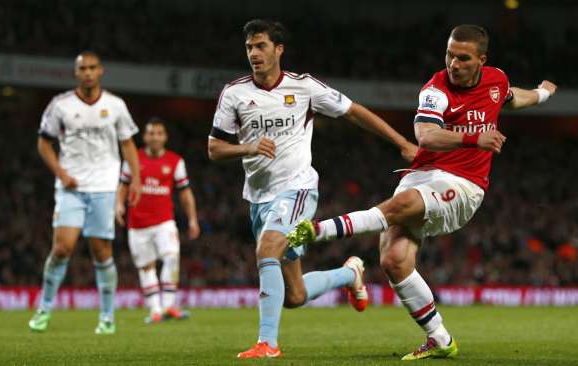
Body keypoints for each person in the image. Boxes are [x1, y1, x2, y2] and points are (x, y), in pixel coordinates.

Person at [287, 24, 557, 360]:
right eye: (449, 54)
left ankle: (316, 231)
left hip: (464, 184)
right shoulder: (435, 89)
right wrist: (474, 138)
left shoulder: (495, 80)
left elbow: (513, 97)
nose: (453, 64)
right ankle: (441, 339)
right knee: (394, 260)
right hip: (421, 175)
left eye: (463, 58)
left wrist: (543, 93)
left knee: (399, 206)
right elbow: (426, 135)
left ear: (481, 60)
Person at [208, 19, 417, 359]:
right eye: (249, 47)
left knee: (268, 249)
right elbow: (214, 149)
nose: (254, 54)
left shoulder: (303, 87)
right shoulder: (234, 93)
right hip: (259, 197)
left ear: (279, 49)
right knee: (294, 295)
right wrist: (246, 148)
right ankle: (349, 274)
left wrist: (401, 142)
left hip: (297, 188)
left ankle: (268, 344)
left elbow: (353, 112)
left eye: (260, 46)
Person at [29, 51, 142, 334]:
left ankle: (107, 317)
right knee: (62, 247)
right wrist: (61, 173)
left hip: (104, 186)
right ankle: (43, 309)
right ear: (76, 73)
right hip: (71, 188)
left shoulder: (116, 105)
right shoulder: (60, 105)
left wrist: (136, 179)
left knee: (101, 253)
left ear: (101, 71)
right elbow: (44, 143)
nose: (88, 72)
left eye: (93, 68)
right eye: (83, 68)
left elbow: (128, 145)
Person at [116, 117, 200, 324]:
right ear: (144, 136)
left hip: (164, 221)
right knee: (146, 266)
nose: (155, 137)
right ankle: (155, 311)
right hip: (137, 223)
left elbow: (185, 192)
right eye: (151, 133)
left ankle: (169, 306)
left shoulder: (175, 161)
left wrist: (192, 219)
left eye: (159, 133)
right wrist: (118, 205)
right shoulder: (133, 158)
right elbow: (123, 184)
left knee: (172, 256)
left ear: (165, 137)